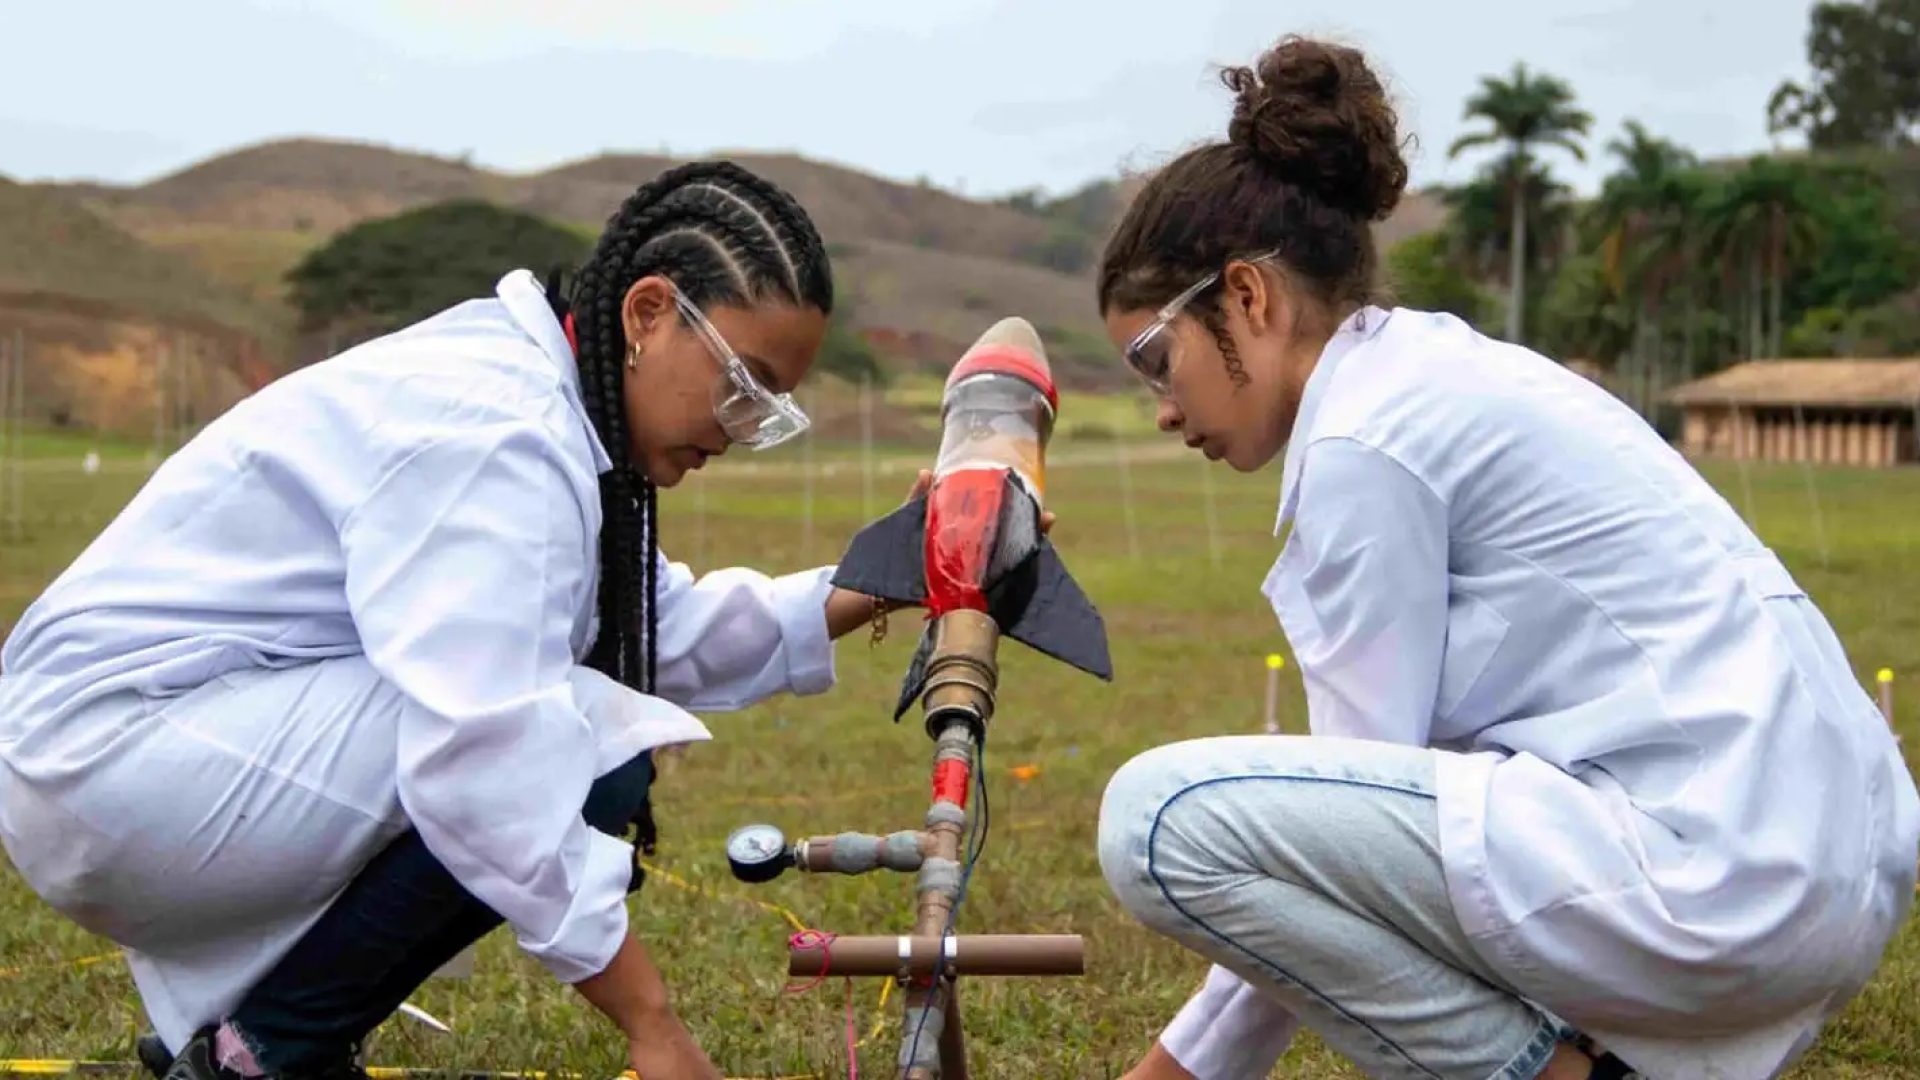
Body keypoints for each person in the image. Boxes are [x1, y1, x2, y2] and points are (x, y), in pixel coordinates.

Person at [1092, 36, 1918, 1080]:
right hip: (1829, 868)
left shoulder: (1363, 437)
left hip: (1724, 877)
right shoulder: (1441, 373)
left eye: (1154, 362)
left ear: (1248, 297)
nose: (1163, 409)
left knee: (1159, 821)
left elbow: (1332, 841)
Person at [0, 161, 921, 1080]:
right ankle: (264, 1054)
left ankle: (265, 1030)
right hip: (109, 758)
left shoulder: (551, 407)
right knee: (573, 747)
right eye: (740, 386)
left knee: (579, 727)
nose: (736, 428)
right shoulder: (499, 433)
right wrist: (654, 1025)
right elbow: (483, 764)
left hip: (157, 743)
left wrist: (898, 573)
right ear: (647, 314)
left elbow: (657, 627)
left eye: (766, 412)